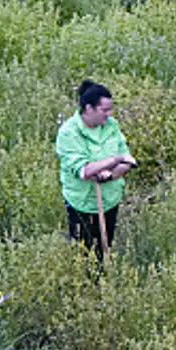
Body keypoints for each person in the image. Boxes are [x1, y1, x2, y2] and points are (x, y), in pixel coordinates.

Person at [55, 79, 134, 255]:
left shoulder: (111, 126)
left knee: (104, 248)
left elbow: (127, 162)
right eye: (104, 110)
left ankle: (103, 279)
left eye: (110, 109)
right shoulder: (69, 132)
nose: (109, 114)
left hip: (109, 199)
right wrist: (115, 159)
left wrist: (109, 175)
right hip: (82, 203)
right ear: (88, 108)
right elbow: (84, 171)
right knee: (83, 253)